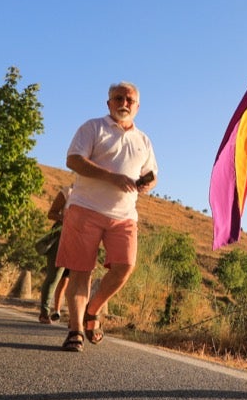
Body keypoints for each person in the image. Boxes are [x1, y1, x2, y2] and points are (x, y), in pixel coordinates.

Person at [57, 82, 157, 351]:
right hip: (85, 209)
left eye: (130, 99)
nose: (124, 103)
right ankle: (76, 330)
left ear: (137, 106)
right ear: (109, 103)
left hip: (124, 216)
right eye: (118, 98)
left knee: (125, 266)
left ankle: (93, 308)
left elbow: (152, 173)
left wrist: (149, 183)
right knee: (80, 272)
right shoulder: (92, 127)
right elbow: (73, 160)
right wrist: (112, 177)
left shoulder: (144, 140)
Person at [37, 185, 71, 324]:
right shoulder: (68, 192)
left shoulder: (95, 196)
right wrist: (67, 218)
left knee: (75, 279)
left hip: (82, 238)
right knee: (54, 276)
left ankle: (75, 318)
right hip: (62, 235)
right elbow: (51, 213)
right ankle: (44, 312)